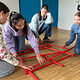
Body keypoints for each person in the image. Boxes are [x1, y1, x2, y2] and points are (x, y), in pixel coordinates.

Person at [0, 2, 33, 78]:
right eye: (6, 16)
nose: (6, 19)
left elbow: (2, 50)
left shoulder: (25, 27)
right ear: (1, 13)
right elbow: (3, 53)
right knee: (10, 67)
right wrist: (22, 64)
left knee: (10, 61)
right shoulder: (7, 28)